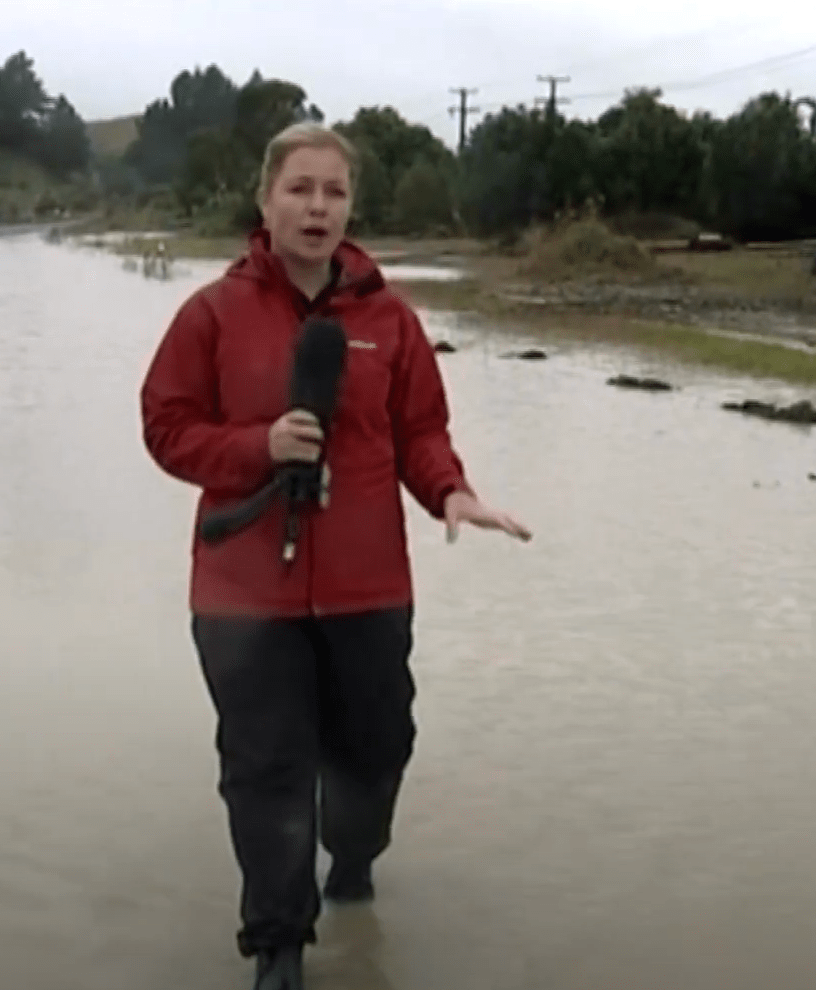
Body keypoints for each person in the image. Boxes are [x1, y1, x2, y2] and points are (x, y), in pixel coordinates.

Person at [138, 122, 531, 990]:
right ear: (265, 198)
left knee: (376, 750)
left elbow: (419, 429)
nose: (317, 207)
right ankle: (278, 945)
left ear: (350, 206)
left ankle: (353, 856)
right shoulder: (210, 314)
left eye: (334, 192)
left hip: (368, 586)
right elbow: (166, 427)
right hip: (245, 595)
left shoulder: (390, 318)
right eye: (300, 189)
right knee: (267, 770)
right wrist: (258, 446)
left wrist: (451, 493)